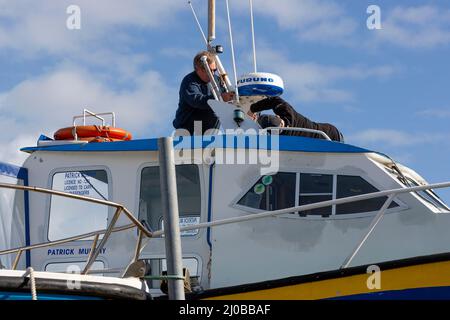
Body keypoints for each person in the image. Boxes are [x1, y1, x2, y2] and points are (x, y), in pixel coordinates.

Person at [173, 51, 234, 135]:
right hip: (188, 133)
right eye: (209, 70)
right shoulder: (189, 81)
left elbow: (228, 102)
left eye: (214, 70)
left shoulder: (218, 81)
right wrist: (220, 99)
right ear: (198, 69)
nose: (212, 74)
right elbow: (197, 101)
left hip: (210, 133)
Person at [250, 96, 344, 142]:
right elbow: (274, 100)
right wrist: (253, 109)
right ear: (277, 116)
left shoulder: (284, 140)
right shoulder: (288, 113)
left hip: (329, 138)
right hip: (330, 131)